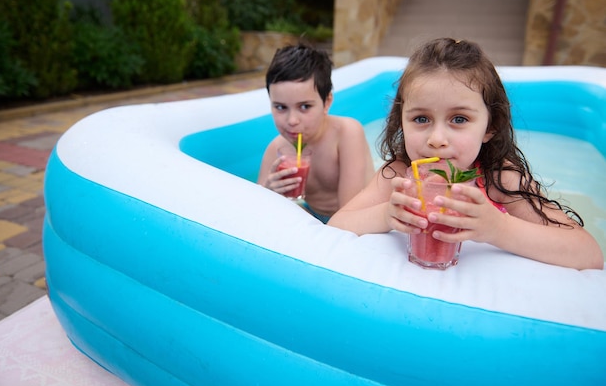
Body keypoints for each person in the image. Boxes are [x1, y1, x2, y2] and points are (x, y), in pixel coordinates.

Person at [328, 37, 603, 270]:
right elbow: (337, 225)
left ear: (490, 127)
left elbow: (588, 254)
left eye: (459, 119)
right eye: (421, 119)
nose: (436, 140)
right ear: (402, 121)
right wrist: (386, 215)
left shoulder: (500, 181)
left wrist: (499, 229)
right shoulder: (399, 176)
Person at [258, 43, 375, 223]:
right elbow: (255, 210)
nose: (292, 120)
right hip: (314, 216)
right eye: (280, 107)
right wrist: (269, 192)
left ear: (327, 102)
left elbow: (348, 214)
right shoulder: (277, 150)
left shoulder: (346, 134)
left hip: (357, 219)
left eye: (304, 107)